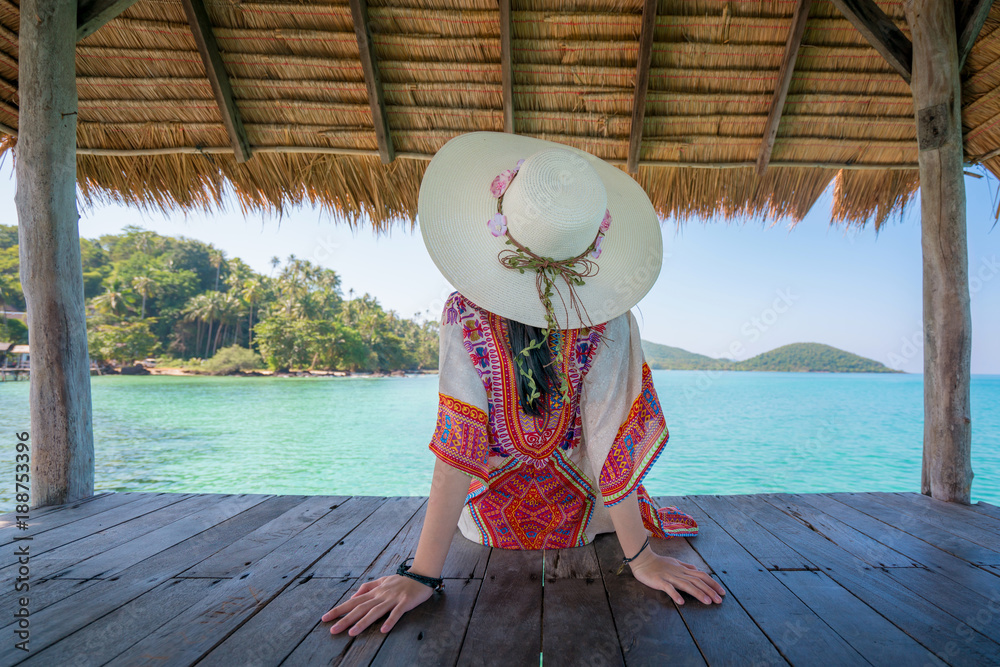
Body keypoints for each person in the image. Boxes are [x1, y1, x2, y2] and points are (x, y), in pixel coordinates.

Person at [322, 131, 725, 637]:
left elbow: (457, 447)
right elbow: (612, 448)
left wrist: (422, 573)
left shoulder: (461, 310)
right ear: (591, 238)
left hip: (486, 523)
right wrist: (641, 557)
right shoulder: (611, 320)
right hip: (583, 522)